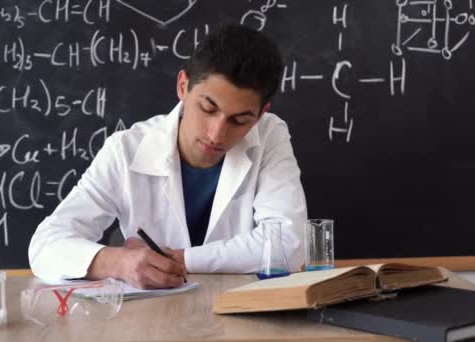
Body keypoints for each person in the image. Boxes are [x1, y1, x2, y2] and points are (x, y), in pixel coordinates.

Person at [29, 23, 307, 289]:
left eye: (240, 120)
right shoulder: (125, 150)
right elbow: (45, 246)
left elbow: (289, 246)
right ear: (183, 87)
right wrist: (117, 262)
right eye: (208, 109)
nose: (216, 134)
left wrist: (184, 258)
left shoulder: (270, 135)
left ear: (261, 114)